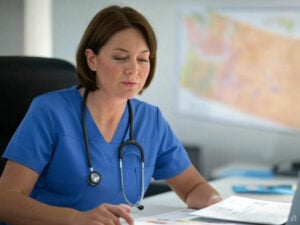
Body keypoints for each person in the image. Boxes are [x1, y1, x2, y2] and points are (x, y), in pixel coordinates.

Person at [0, 5, 222, 225]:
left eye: (143, 59)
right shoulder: (49, 112)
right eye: (120, 58)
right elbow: (5, 201)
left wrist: (217, 203)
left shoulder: (150, 121)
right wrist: (77, 219)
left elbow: (193, 187)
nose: (134, 69)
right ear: (92, 60)